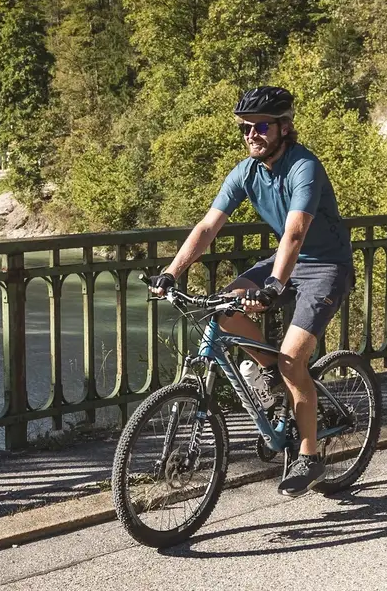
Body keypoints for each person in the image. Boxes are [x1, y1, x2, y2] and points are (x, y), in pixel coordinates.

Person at [147, 85, 355, 497]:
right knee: (224, 311)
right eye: (245, 128)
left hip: (325, 268)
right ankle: (273, 375)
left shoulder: (304, 167)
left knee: (294, 359)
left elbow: (295, 232)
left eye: (261, 126)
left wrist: (275, 284)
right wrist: (171, 272)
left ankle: (310, 456)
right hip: (282, 262)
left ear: (284, 127)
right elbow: (208, 227)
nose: (251, 135)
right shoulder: (246, 171)